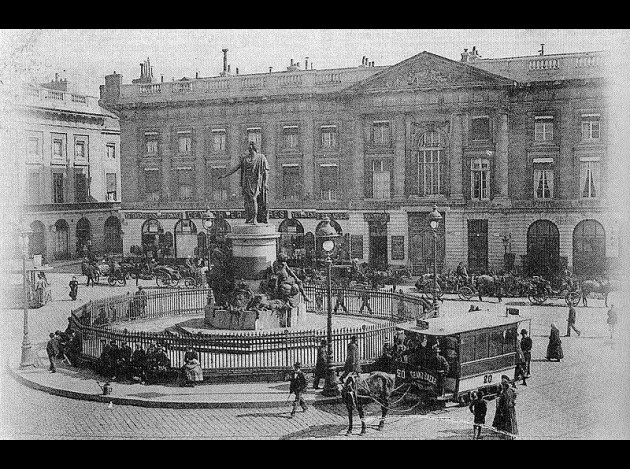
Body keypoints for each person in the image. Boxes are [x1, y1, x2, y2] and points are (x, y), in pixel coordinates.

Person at [218, 142, 269, 224]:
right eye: (249, 147)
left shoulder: (261, 157)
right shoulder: (245, 159)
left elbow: (266, 171)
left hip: (256, 181)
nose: (249, 149)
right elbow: (236, 168)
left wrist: (265, 183)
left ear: (254, 148)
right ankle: (249, 218)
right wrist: (225, 175)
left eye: (251, 147)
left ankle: (255, 218)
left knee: (253, 199)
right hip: (246, 181)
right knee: (247, 201)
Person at [492, 376, 518, 440]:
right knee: (512, 422)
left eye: (503, 385)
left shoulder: (504, 394)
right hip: (511, 409)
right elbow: (514, 397)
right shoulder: (510, 391)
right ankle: (513, 435)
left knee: (507, 423)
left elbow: (501, 404)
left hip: (506, 410)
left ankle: (508, 436)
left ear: (504, 386)